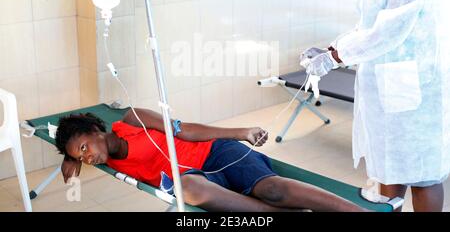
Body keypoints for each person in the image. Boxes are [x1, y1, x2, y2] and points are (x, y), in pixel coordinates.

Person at [301, 0, 450, 212]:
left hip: (414, 82)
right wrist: (334, 47)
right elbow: (369, 24)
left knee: (422, 173)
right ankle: (387, 203)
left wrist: (335, 58)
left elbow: (392, 28)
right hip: (388, 80)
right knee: (391, 161)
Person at [55, 108, 365, 212]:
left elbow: (186, 130)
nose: (89, 158)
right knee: (187, 189)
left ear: (95, 129)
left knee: (272, 189)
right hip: (198, 179)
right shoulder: (105, 159)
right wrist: (70, 161)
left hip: (217, 153)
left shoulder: (132, 119)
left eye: (85, 147)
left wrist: (240, 132)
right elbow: (77, 158)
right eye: (81, 157)